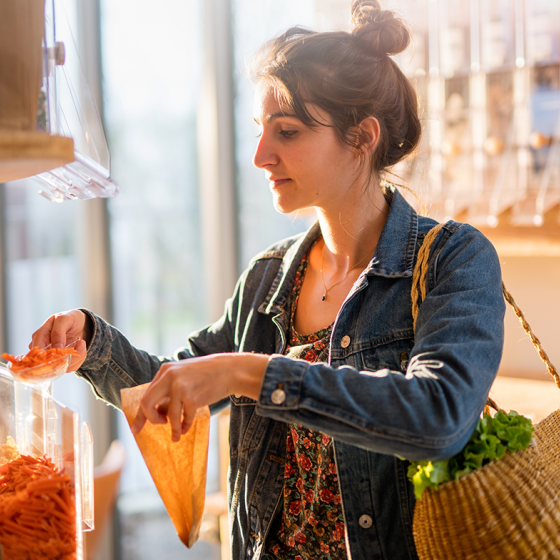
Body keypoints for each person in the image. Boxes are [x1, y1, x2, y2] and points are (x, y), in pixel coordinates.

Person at [30, 1, 505, 558]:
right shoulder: (268, 279)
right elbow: (173, 386)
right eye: (260, 130)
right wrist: (90, 341)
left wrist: (248, 372)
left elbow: (438, 416)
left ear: (362, 137)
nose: (259, 155)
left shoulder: (454, 258)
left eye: (288, 132)